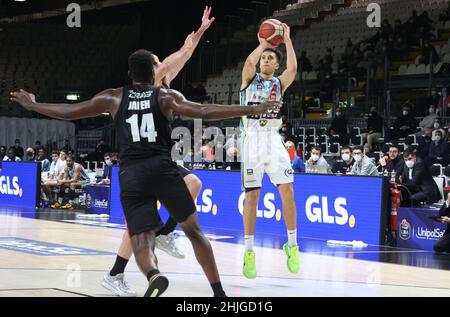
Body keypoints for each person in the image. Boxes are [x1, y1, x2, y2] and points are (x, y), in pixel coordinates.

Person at [11, 48, 279, 297]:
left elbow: (70, 111)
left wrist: (34, 105)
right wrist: (252, 109)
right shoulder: (165, 96)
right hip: (162, 169)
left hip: (131, 174)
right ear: (154, 72)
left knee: (141, 237)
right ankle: (219, 294)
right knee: (195, 232)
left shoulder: (113, 96)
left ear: (130, 74)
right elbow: (204, 111)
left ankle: (153, 274)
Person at [239, 22, 299, 279]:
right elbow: (247, 64)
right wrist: (263, 43)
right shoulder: (247, 81)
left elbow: (293, 68)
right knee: (253, 196)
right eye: (263, 57)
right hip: (251, 139)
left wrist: (286, 40)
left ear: (276, 65)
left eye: (270, 58)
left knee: (287, 190)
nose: (265, 60)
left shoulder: (279, 83)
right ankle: (249, 252)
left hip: (273, 139)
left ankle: (292, 245)